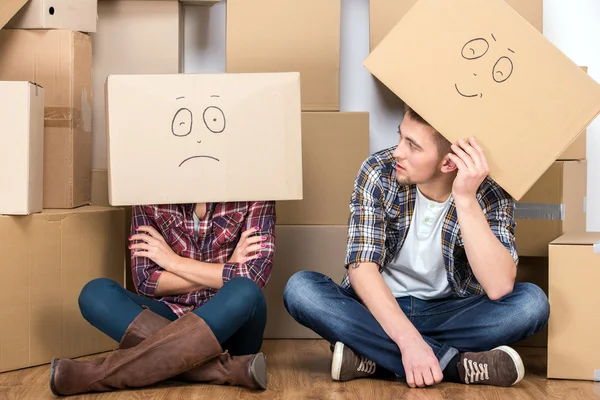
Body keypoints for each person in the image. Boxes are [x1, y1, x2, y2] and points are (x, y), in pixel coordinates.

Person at [283, 106, 550, 388]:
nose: (398, 152)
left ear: (448, 163)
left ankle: (374, 354)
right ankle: (455, 366)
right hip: (376, 306)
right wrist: (409, 342)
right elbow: (362, 269)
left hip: (450, 312)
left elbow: (499, 286)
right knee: (301, 290)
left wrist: (466, 199)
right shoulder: (379, 171)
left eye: (412, 146)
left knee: (531, 304)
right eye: (401, 137)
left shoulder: (490, 190)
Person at [49, 201, 275, 396]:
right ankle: (223, 369)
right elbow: (146, 281)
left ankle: (100, 374)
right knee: (95, 294)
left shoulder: (253, 186)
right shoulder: (150, 188)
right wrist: (225, 269)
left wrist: (172, 262)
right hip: (169, 313)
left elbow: (253, 276)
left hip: (231, 325)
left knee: (246, 290)